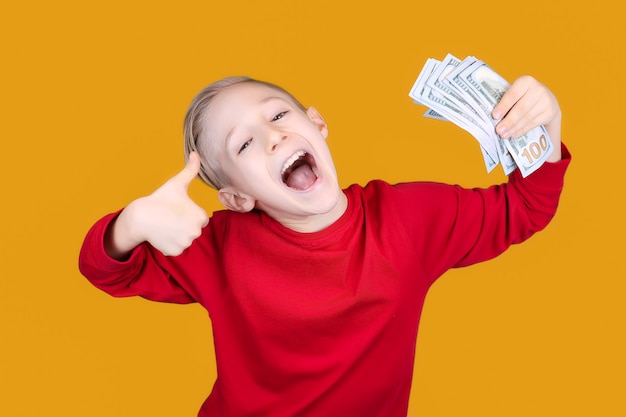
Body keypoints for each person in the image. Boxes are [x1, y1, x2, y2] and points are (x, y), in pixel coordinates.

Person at [79, 74, 570, 417]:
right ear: (236, 197)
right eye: (244, 145)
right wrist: (134, 221)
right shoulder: (219, 246)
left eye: (277, 115)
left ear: (317, 124)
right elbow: (107, 270)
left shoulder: (408, 218)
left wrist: (546, 122)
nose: (272, 136)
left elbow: (524, 207)